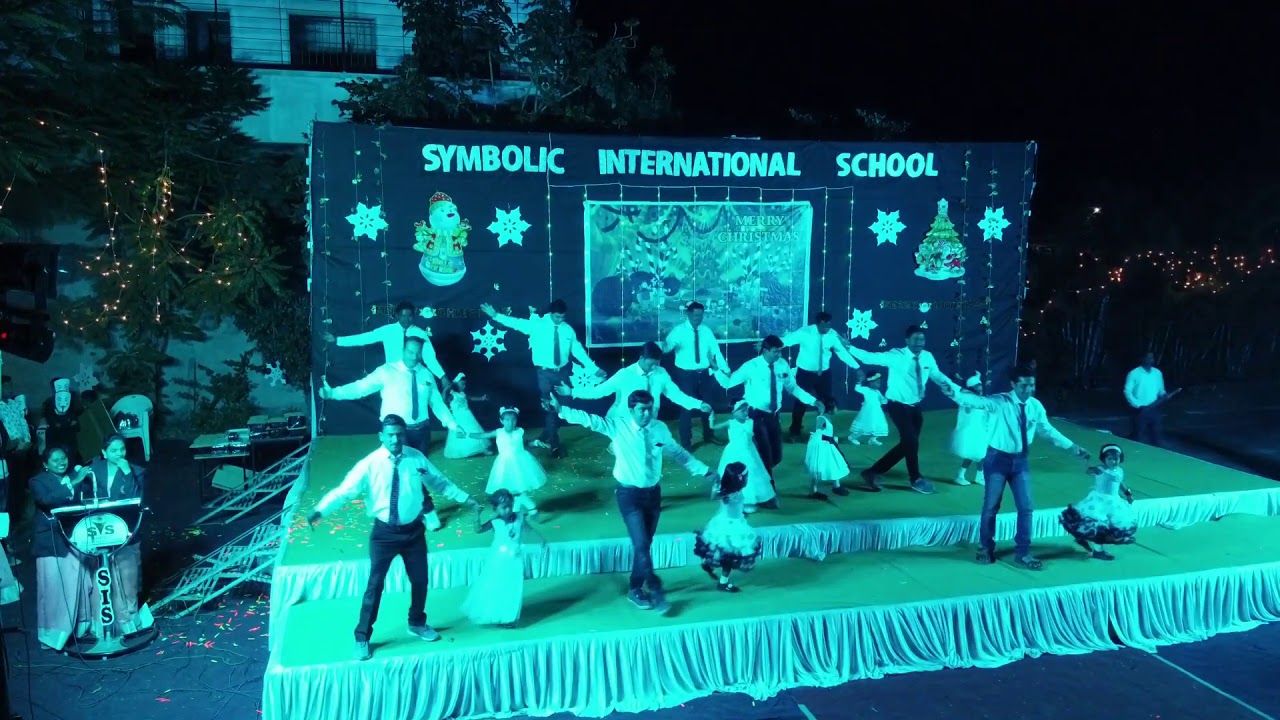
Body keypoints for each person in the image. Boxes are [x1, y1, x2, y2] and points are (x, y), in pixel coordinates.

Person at [307, 414, 479, 661]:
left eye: (399, 434)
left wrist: (465, 498)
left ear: (404, 434)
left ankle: (417, 622)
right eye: (390, 435)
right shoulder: (370, 464)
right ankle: (362, 636)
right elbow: (345, 491)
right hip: (384, 534)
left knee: (420, 580)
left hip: (413, 531)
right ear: (382, 436)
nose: (395, 439)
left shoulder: (416, 458)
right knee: (375, 585)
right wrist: (321, 510)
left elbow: (440, 482)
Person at [547, 390, 716, 613]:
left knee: (645, 543)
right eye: (642, 410)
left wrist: (705, 471)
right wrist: (561, 410)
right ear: (631, 410)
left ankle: (635, 587)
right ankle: (652, 588)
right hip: (629, 496)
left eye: (650, 409)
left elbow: (678, 453)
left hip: (653, 494)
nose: (647, 414)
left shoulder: (659, 429)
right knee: (641, 544)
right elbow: (590, 420)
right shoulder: (618, 427)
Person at [942, 365, 1090, 570]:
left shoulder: (1035, 406)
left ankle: (1023, 552)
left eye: (1032, 385)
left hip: (1020, 462)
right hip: (997, 459)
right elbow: (974, 401)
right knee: (991, 506)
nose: (1029, 389)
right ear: (1013, 384)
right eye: (1024, 385)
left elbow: (1047, 430)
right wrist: (953, 393)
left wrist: (1072, 447)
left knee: (1026, 507)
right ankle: (985, 547)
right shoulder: (999, 402)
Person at [482, 299, 604, 459]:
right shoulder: (538, 325)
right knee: (551, 408)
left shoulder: (568, 330)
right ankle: (554, 445)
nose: (560, 320)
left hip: (562, 373)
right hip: (544, 374)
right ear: (550, 313)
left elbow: (578, 351)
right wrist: (496, 315)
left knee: (563, 408)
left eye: (563, 317)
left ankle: (546, 434)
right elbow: (516, 323)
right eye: (557, 317)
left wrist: (594, 369)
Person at [846, 325, 961, 495]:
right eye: (915, 339)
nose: (919, 342)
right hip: (898, 406)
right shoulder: (896, 356)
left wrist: (955, 389)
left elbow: (936, 375)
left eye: (922, 339)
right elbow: (869, 357)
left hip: (916, 407)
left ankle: (872, 472)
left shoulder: (927, 357)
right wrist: (849, 348)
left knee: (907, 445)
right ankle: (916, 479)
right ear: (907, 340)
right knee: (911, 443)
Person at [320, 336, 459, 464]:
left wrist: (453, 425)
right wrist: (333, 393)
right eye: (410, 352)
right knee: (395, 469)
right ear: (403, 350)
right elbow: (360, 388)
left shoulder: (426, 374)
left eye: (418, 353)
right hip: (395, 431)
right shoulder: (386, 371)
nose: (414, 357)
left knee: (419, 468)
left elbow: (437, 403)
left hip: (421, 431)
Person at [713, 335, 825, 491]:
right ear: (765, 351)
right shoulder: (750, 366)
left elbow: (793, 387)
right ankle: (768, 489)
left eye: (780, 351)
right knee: (765, 454)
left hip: (774, 416)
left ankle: (756, 474)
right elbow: (728, 383)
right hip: (756, 416)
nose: (779, 354)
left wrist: (813, 400)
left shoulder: (782, 364)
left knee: (776, 456)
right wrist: (715, 369)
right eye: (775, 351)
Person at [555, 341, 712, 451]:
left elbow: (676, 395)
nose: (653, 368)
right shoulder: (624, 375)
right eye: (650, 364)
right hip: (625, 423)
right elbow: (598, 392)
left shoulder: (661, 373)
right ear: (641, 358)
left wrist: (698, 404)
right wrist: (572, 392)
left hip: (649, 422)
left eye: (656, 364)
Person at [83, 434, 155, 635]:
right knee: (103, 577)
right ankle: (104, 623)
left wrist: (127, 472)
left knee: (128, 577)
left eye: (122, 449)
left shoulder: (136, 471)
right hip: (101, 531)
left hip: (127, 531)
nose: (119, 454)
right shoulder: (93, 470)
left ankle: (130, 619)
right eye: (113, 450)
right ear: (104, 452)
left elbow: (135, 498)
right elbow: (84, 497)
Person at [28, 447, 94, 650]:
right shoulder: (37, 481)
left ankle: (81, 628)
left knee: (80, 582)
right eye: (55, 460)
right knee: (54, 588)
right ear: (45, 465)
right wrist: (73, 482)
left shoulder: (76, 475)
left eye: (63, 458)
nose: (61, 462)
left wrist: (84, 480)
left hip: (74, 538)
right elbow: (46, 501)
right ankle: (54, 636)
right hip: (51, 542)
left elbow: (87, 500)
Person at [461, 489, 547, 627]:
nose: (508, 510)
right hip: (498, 560)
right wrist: (476, 513)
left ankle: (509, 617)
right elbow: (478, 529)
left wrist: (540, 538)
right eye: (504, 507)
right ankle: (497, 614)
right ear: (495, 508)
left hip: (515, 559)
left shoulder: (519, 517)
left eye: (510, 506)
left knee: (513, 587)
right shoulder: (495, 522)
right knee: (498, 586)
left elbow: (528, 529)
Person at [323, 300, 449, 389]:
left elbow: (430, 358)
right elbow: (364, 338)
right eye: (403, 316)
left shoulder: (420, 334)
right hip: (393, 377)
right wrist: (337, 340)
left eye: (409, 316)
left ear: (414, 316)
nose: (406, 319)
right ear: (397, 315)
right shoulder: (387, 330)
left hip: (414, 378)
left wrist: (443, 377)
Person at [782, 311, 863, 442]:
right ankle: (795, 431)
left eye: (829, 326)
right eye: (824, 326)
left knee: (827, 403)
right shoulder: (805, 332)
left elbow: (842, 353)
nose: (826, 329)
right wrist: (766, 345)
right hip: (805, 373)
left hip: (824, 374)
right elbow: (786, 341)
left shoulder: (832, 335)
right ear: (817, 323)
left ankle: (824, 431)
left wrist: (857, 368)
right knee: (801, 403)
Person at [661, 301, 728, 447]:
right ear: (688, 314)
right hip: (686, 376)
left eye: (701, 315)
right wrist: (665, 346)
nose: (698, 318)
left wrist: (725, 369)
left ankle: (709, 435)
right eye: (695, 315)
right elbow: (666, 348)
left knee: (708, 406)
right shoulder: (678, 331)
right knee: (687, 408)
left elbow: (715, 351)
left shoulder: (706, 331)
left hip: (704, 374)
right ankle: (686, 443)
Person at [459, 407, 548, 515]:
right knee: (511, 489)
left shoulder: (520, 431)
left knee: (520, 487)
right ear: (501, 421)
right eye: (507, 420)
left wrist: (536, 442)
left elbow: (526, 443)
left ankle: (529, 508)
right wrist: (466, 435)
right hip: (505, 464)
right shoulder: (498, 432)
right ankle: (522, 509)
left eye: (513, 420)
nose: (510, 422)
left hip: (521, 462)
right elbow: (483, 435)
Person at [693, 462, 763, 593]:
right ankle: (723, 583)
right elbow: (719, 498)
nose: (747, 479)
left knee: (719, 550)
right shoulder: (732, 494)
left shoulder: (730, 491)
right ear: (739, 479)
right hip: (732, 528)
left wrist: (717, 485)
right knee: (729, 556)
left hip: (723, 522)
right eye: (746, 477)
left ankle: (707, 564)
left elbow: (721, 499)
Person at [1060, 443, 1137, 560]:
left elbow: (1119, 482)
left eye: (1116, 459)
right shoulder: (1100, 469)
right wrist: (1086, 460)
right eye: (1110, 459)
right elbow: (1088, 471)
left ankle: (1094, 544)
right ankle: (1098, 550)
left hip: (1114, 501)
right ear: (1104, 458)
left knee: (1113, 524)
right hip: (1099, 501)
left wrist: (1127, 493)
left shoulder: (1119, 470)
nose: (1113, 461)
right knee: (1098, 525)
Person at [707, 400, 777, 512]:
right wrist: (711, 416)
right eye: (742, 411)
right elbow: (713, 426)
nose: (745, 413)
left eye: (746, 410)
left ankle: (750, 500)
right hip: (734, 452)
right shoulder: (731, 423)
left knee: (751, 474)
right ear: (734, 412)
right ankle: (736, 499)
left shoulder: (751, 422)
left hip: (749, 452)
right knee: (735, 474)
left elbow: (753, 438)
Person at [1123, 352, 1177, 447]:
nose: (1150, 360)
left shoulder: (1157, 373)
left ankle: (1156, 453)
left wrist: (1164, 395)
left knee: (1156, 436)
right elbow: (1127, 391)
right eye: (1148, 357)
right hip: (1140, 410)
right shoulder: (1134, 373)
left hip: (1154, 408)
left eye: (1152, 358)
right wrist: (1137, 405)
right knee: (1137, 436)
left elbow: (1160, 389)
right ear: (1142, 359)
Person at [949, 372, 992, 486]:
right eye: (978, 387)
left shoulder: (977, 398)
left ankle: (976, 476)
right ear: (973, 388)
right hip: (972, 431)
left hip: (980, 429)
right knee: (978, 455)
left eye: (981, 386)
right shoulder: (967, 399)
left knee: (980, 455)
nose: (981, 388)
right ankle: (963, 476)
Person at [442, 373, 492, 459]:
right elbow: (444, 401)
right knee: (462, 432)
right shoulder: (452, 395)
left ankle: (481, 449)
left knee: (474, 430)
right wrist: (446, 389)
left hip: (468, 415)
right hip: (458, 417)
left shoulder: (462, 394)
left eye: (465, 384)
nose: (464, 386)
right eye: (462, 384)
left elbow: (471, 398)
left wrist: (482, 398)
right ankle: (465, 450)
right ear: (456, 384)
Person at [804, 414, 850, 498]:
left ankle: (836, 485)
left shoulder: (824, 417)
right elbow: (820, 433)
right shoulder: (822, 418)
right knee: (818, 467)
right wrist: (831, 440)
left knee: (833, 463)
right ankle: (813, 491)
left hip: (826, 445)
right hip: (821, 446)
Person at [38, 378, 80, 462]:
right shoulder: (48, 403)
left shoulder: (71, 401)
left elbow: (76, 419)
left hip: (70, 436)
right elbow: (46, 419)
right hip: (55, 436)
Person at [848, 374, 888, 445]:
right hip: (867, 412)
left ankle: (872, 439)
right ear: (871, 383)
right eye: (877, 382)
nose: (879, 384)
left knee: (878, 425)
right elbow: (857, 388)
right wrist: (859, 381)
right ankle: (852, 437)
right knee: (863, 426)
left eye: (879, 383)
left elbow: (883, 401)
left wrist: (887, 398)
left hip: (877, 412)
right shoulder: (866, 389)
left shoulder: (877, 392)